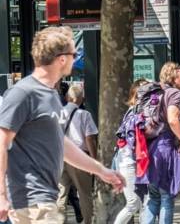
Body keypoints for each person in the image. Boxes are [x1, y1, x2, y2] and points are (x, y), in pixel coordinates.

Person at [0, 26, 124, 224]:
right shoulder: (22, 93)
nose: (75, 59)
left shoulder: (52, 97)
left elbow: (63, 145)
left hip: (44, 199)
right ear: (62, 58)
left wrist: (101, 171)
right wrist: (1, 195)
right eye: (74, 54)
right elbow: (1, 143)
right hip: (31, 202)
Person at [139, 62, 180, 224]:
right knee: (167, 197)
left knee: (153, 197)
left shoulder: (154, 91)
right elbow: (173, 119)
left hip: (149, 148)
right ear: (174, 78)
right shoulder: (174, 93)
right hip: (165, 148)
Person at [56, 85, 98, 224]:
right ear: (82, 99)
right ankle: (87, 221)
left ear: (67, 97)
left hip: (60, 157)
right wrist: (94, 160)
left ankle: (60, 221)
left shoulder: (58, 114)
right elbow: (90, 139)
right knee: (85, 194)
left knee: (61, 195)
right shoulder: (84, 115)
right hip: (79, 157)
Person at [113, 79, 149, 224]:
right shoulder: (135, 112)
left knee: (144, 202)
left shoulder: (136, 111)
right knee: (134, 203)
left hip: (134, 161)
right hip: (128, 162)